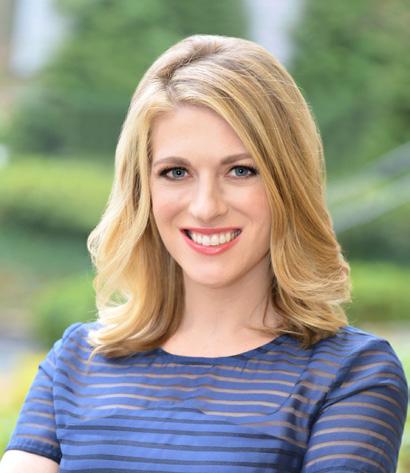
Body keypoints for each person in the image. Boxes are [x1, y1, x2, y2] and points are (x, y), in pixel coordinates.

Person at [0, 34, 407, 473]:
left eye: (241, 170)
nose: (206, 206)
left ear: (288, 182)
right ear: (142, 190)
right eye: (176, 172)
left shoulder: (351, 375)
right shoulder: (76, 362)